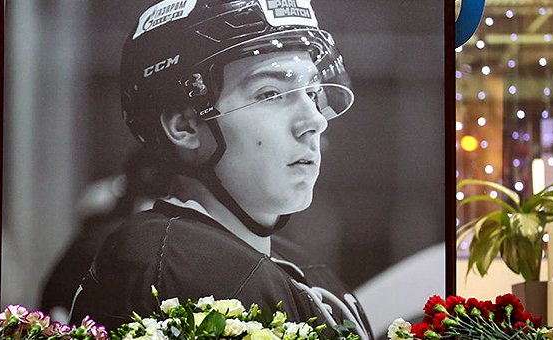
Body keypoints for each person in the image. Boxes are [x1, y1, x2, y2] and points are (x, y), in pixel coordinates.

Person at [70, 1, 372, 338]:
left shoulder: (296, 266)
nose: (314, 120)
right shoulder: (172, 267)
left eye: (312, 92)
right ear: (185, 125)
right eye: (270, 93)